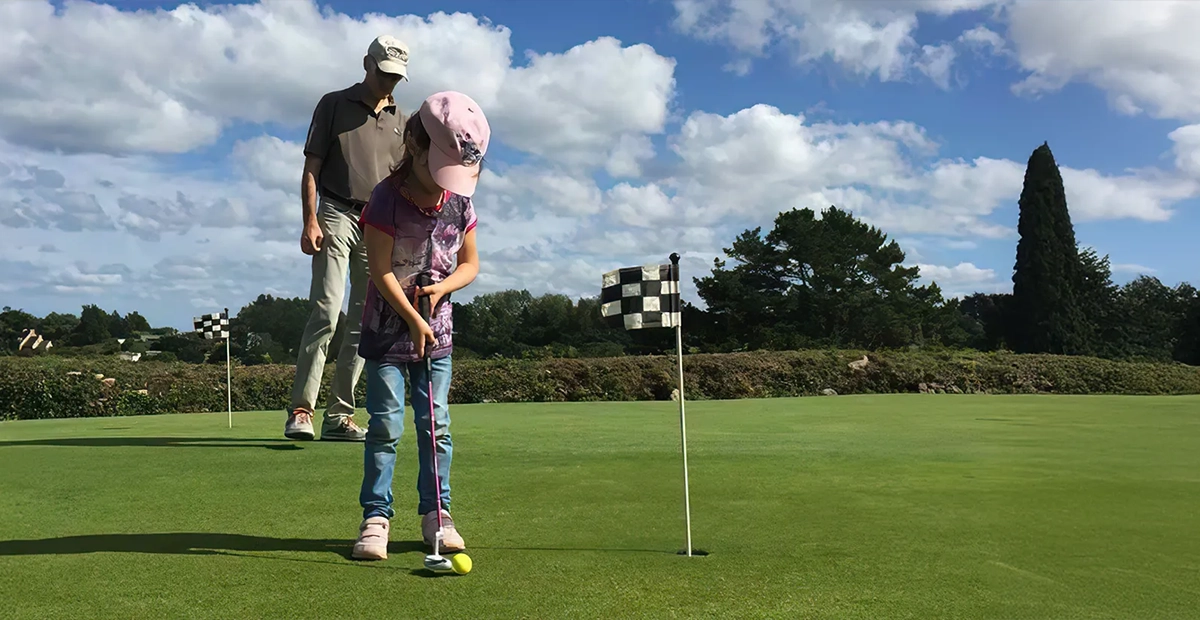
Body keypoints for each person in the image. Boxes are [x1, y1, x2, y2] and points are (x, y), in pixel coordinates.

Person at [349, 91, 488, 561]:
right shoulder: (386, 198)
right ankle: (376, 518)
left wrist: (444, 288)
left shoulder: (459, 202)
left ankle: (438, 514)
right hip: (388, 333)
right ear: (415, 144)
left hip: (439, 333)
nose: (444, 183)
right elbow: (380, 269)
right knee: (385, 427)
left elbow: (470, 265)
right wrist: (411, 317)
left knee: (437, 427)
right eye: (439, 166)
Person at [285, 35, 410, 442]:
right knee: (326, 309)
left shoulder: (403, 121)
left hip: (377, 222)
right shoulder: (333, 104)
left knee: (362, 322)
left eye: (396, 77)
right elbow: (311, 167)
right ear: (367, 64)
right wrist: (310, 219)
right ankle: (302, 410)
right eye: (384, 73)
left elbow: (406, 180)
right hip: (336, 211)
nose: (389, 83)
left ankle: (339, 416)